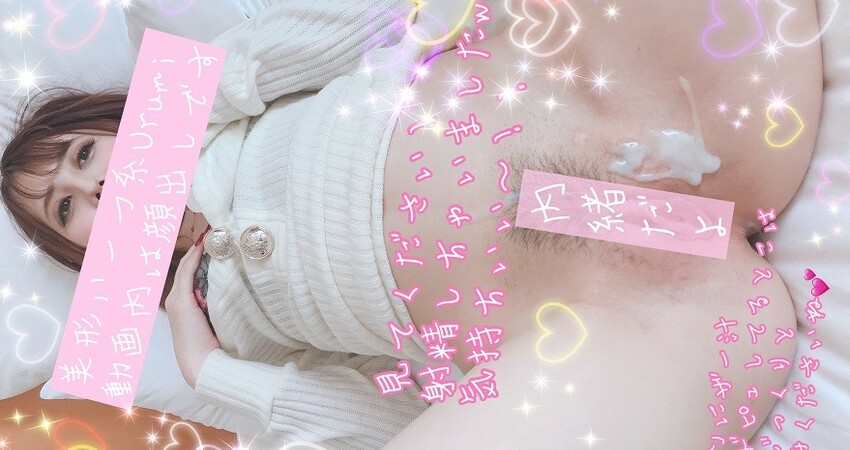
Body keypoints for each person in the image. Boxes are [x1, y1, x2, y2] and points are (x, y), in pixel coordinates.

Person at [0, 0, 824, 448]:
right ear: (81, 254)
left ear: (122, 124)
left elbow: (385, 21)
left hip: (638, 111)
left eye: (84, 154)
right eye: (67, 209)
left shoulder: (226, 110)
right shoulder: (228, 329)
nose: (95, 185)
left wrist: (204, 93)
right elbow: (389, 423)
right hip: (633, 315)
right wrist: (208, 368)